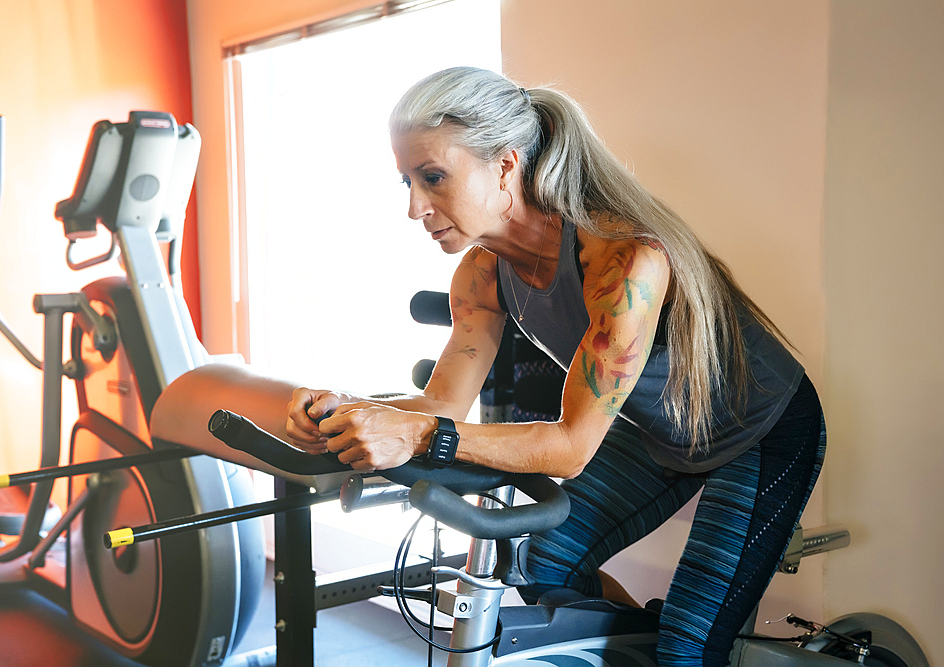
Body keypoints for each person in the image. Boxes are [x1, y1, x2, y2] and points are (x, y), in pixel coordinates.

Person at [285, 66, 825, 667]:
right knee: (539, 564)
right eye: (407, 181)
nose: (415, 206)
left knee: (687, 650)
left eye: (433, 177)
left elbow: (569, 447)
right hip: (656, 430)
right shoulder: (481, 273)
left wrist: (413, 435)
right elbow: (442, 406)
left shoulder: (623, 261)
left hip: (761, 433)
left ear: (506, 164)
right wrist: (349, 410)